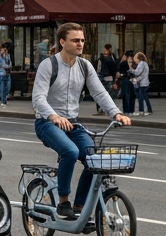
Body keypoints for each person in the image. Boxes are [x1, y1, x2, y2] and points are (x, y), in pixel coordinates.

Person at [32, 23, 132, 219]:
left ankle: (79, 206)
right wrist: (54, 116)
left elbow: (99, 92)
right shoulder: (49, 65)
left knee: (94, 160)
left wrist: (116, 113)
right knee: (70, 152)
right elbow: (38, 98)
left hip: (73, 124)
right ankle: (63, 202)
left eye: (82, 40)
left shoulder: (85, 66)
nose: (80, 44)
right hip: (47, 122)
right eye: (75, 40)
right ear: (62, 42)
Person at [116, 50, 135, 114]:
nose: (130, 59)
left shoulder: (134, 64)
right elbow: (120, 72)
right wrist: (124, 75)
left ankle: (131, 110)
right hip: (126, 80)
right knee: (126, 96)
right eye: (129, 57)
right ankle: (127, 110)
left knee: (132, 96)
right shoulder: (123, 64)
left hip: (132, 81)